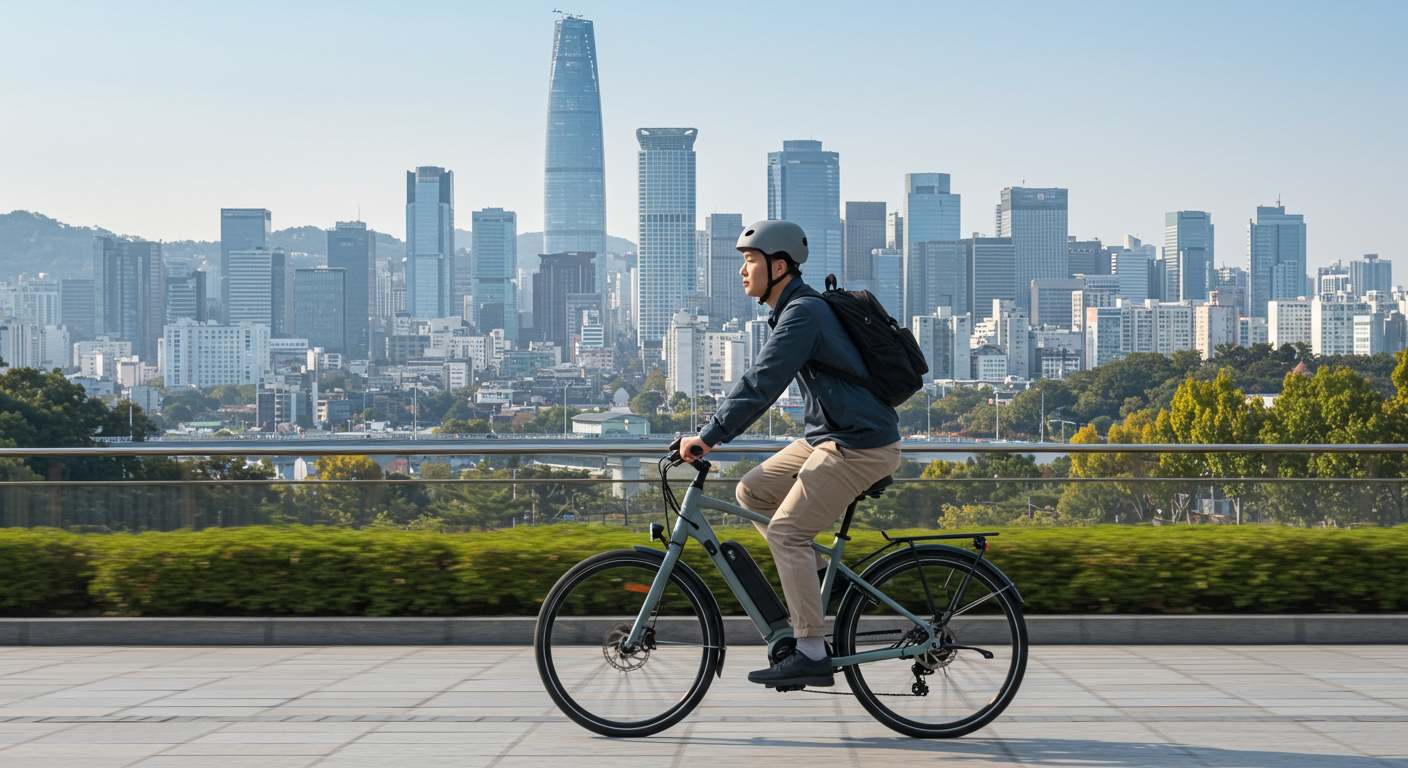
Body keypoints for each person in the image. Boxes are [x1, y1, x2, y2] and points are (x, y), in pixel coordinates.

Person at [677, 219, 902, 688]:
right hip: (830, 436)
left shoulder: (803, 314)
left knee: (786, 533)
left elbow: (761, 382)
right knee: (753, 490)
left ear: (778, 267)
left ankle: (811, 649)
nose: (742, 271)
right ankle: (825, 579)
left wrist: (710, 436)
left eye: (749, 261)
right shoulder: (793, 311)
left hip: (859, 443)